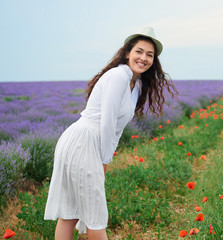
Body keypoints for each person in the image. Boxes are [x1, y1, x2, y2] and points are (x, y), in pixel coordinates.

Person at [44, 26, 177, 240]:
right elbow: (106, 123)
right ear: (127, 53)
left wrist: (107, 157)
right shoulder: (117, 77)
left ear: (154, 60)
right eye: (139, 51)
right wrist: (104, 160)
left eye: (149, 55)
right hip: (83, 141)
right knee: (93, 216)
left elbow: (116, 129)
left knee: (72, 212)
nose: (143, 58)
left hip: (85, 142)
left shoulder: (137, 85)